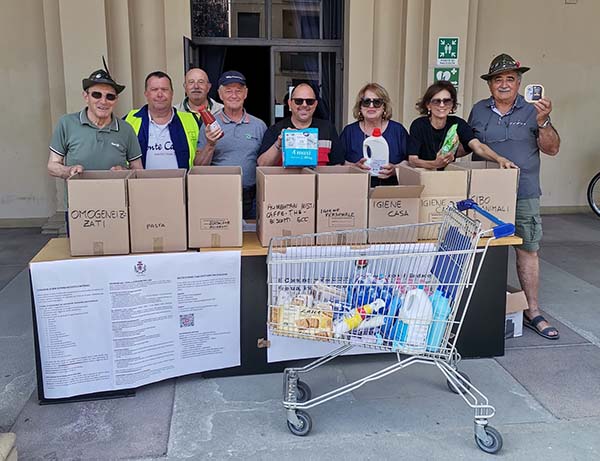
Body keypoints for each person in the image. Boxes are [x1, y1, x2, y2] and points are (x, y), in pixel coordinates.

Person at [468, 53, 561, 339]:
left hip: (524, 192)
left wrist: (543, 122)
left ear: (519, 83)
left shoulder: (533, 110)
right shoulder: (479, 110)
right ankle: (475, 307)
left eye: (510, 79)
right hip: (485, 196)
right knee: (479, 250)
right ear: (490, 85)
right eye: (498, 79)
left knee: (528, 249)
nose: (504, 84)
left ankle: (532, 310)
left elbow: (552, 148)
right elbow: (469, 144)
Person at [48, 65, 143, 180]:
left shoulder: (126, 129)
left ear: (116, 100)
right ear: (86, 96)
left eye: (110, 97)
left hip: (117, 197)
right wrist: (68, 171)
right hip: (78, 197)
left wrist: (124, 172)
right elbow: (52, 165)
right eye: (96, 95)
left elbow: (138, 170)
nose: (103, 101)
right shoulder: (66, 123)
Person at [196, 71, 267, 219]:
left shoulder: (259, 125)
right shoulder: (209, 125)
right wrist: (210, 144)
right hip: (219, 195)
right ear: (220, 95)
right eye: (228, 91)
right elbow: (199, 167)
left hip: (252, 197)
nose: (234, 95)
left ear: (245, 93)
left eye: (238, 91)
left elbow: (265, 163)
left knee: (253, 240)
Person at [409, 80, 515, 170]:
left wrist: (499, 159)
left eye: (447, 101)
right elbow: (413, 160)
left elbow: (477, 146)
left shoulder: (457, 123)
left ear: (452, 105)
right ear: (428, 105)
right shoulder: (419, 125)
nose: (442, 105)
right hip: (422, 176)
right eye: (437, 101)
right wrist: (435, 164)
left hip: (449, 177)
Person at [341, 83, 414, 186]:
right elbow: (340, 162)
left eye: (377, 102)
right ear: (360, 107)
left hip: (391, 191)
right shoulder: (349, 132)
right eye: (366, 102)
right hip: (356, 190)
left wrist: (395, 169)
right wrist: (355, 167)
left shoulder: (398, 130)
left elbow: (410, 161)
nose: (371, 106)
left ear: (384, 107)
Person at [125, 71, 199, 170]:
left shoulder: (191, 120)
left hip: (181, 184)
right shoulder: (129, 120)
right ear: (146, 94)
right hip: (141, 184)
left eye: (164, 89)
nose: (160, 94)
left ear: (172, 93)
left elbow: (202, 157)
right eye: (154, 90)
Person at [257, 82, 345, 166]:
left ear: (315, 104)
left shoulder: (328, 129)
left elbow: (337, 166)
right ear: (290, 103)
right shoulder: (275, 130)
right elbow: (262, 164)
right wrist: (278, 144)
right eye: (298, 101)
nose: (304, 105)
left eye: (309, 101)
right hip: (285, 182)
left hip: (319, 181)